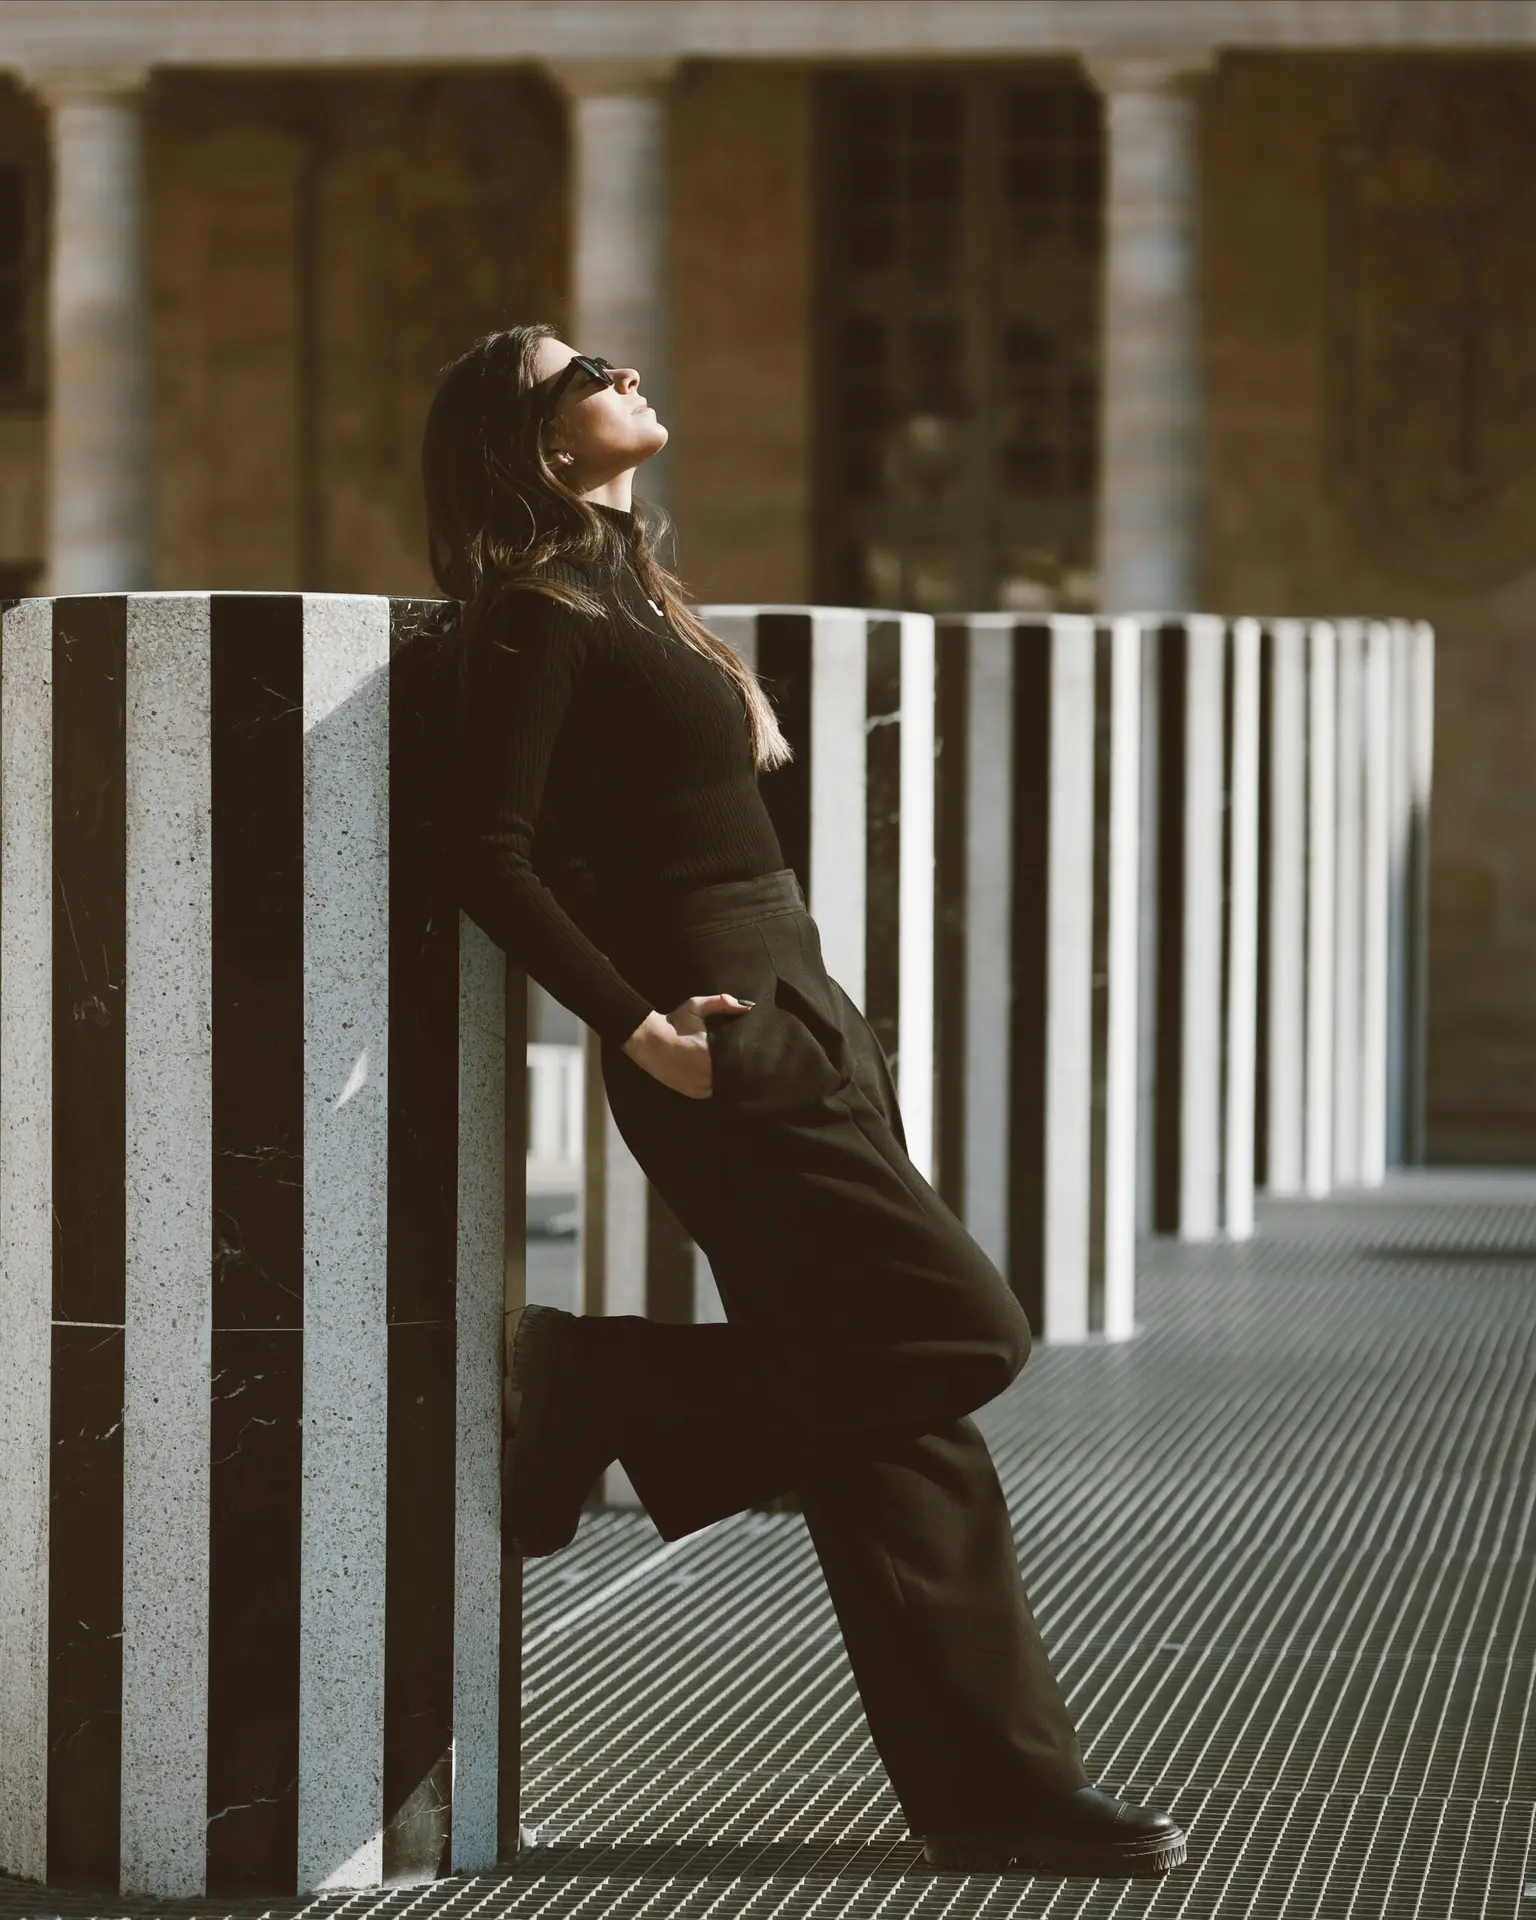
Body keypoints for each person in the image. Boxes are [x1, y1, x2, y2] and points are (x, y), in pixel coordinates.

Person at [417, 324, 1188, 1881]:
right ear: (539, 440)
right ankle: (594, 1381)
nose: (626, 372)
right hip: (720, 1037)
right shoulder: (541, 615)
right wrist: (639, 1030)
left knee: (896, 1426)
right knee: (962, 1333)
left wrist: (820, 1022)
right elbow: (484, 854)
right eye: (585, 371)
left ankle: (996, 1792)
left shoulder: (636, 590)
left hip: (798, 1014)